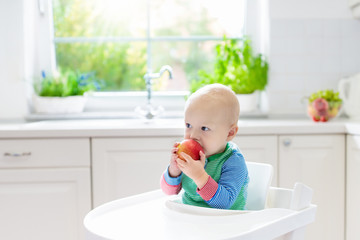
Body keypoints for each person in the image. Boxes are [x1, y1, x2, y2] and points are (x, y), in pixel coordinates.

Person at [160, 83, 249, 210]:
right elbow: (168, 192)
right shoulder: (189, 156)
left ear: (230, 133)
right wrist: (174, 171)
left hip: (226, 223)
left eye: (204, 128)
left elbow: (224, 203)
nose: (193, 135)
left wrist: (200, 176)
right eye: (189, 125)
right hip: (192, 219)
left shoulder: (233, 161)